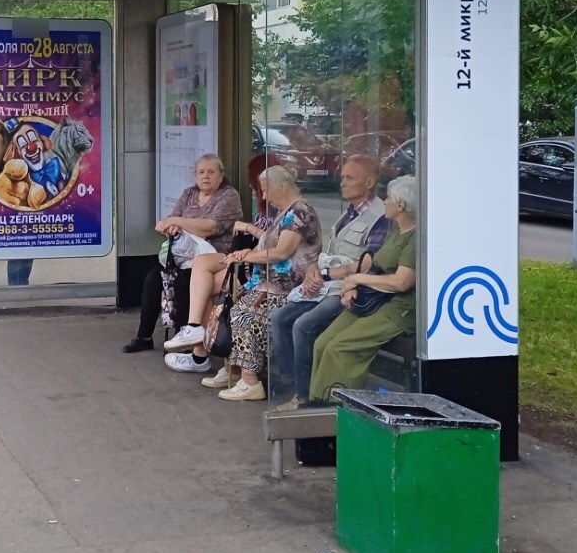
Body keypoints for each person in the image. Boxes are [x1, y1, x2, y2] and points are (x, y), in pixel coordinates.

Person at [164, 165, 322, 401]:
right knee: (229, 304)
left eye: (266, 190)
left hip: (288, 287)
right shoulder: (285, 212)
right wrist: (247, 253)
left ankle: (250, 380)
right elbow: (269, 245)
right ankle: (233, 368)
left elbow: (281, 252)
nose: (264, 196)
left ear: (281, 186)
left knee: (242, 313)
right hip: (267, 282)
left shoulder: (299, 212)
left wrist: (247, 256)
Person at [268, 154, 390, 409]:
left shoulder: (380, 216)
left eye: (349, 178)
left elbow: (371, 264)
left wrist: (326, 274)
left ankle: (304, 397)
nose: (342, 182)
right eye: (342, 177)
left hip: (353, 290)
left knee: (303, 325)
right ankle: (294, 386)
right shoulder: (349, 213)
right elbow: (328, 253)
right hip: (327, 285)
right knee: (280, 317)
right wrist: (314, 271)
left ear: (369, 182)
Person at [308, 174, 418, 403]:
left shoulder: (415, 238)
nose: (384, 202)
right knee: (322, 343)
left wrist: (360, 279)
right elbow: (375, 264)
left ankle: (337, 406)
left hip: (397, 309)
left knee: (340, 348)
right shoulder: (395, 229)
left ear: (401, 205)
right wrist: (353, 285)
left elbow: (402, 282)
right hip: (373, 299)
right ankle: (317, 402)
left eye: (388, 198)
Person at [125, 155, 243, 353]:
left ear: (221, 175)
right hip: (183, 256)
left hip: (215, 257)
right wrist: (173, 227)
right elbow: (170, 221)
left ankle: (184, 341)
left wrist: (178, 222)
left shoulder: (229, 196)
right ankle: (144, 337)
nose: (206, 176)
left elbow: (210, 227)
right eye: (201, 172)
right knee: (153, 279)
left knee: (183, 281)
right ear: (195, 175)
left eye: (211, 172)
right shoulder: (189, 194)